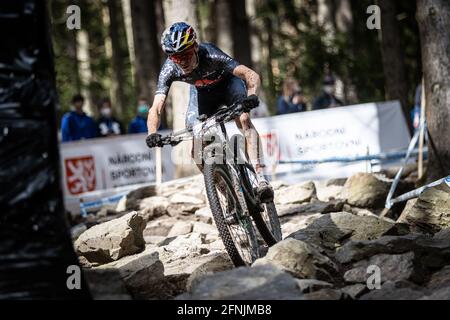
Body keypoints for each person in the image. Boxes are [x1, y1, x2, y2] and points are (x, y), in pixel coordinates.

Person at [145, 22, 273, 200]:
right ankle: (228, 197)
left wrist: (251, 96)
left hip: (228, 85)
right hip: (202, 95)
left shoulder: (211, 54)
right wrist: (152, 132)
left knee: (243, 119)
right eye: (176, 58)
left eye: (186, 55)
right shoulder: (169, 68)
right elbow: (156, 107)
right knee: (196, 152)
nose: (182, 62)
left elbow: (251, 75)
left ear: (195, 47)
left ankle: (261, 178)